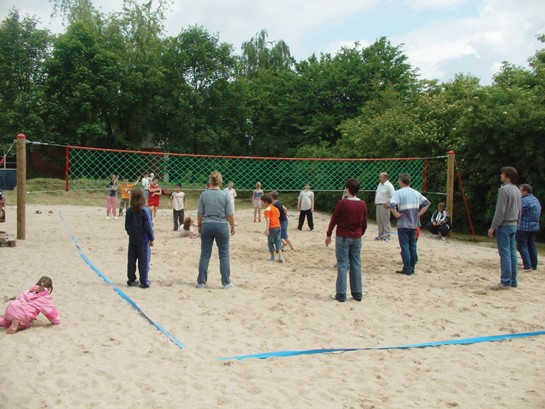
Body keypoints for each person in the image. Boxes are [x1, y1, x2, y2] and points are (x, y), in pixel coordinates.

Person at [325, 178, 368, 302]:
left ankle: (341, 294)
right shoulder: (362, 204)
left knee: (342, 265)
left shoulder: (343, 203)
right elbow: (364, 223)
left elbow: (334, 219)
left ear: (347, 189)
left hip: (343, 236)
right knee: (356, 264)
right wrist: (359, 234)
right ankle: (357, 293)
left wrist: (328, 234)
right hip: (356, 237)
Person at [196, 170, 236, 289]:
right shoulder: (225, 195)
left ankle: (201, 282)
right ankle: (226, 282)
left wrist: (199, 226)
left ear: (210, 181)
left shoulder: (204, 194)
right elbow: (229, 214)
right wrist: (232, 226)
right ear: (220, 181)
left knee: (205, 254)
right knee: (223, 255)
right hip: (221, 225)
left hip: (207, 224)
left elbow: (200, 213)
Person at [388, 173, 431, 276]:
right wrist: (418, 214)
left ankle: (407, 268)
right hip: (414, 223)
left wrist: (397, 215)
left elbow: (391, 205)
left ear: (401, 181)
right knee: (413, 245)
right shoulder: (416, 193)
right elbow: (427, 203)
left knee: (405, 246)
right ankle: (412, 268)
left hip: (403, 223)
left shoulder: (398, 193)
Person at [488, 166, 522, 290]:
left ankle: (505, 281)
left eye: (502, 174)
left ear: (507, 176)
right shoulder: (517, 190)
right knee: (512, 253)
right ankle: (513, 281)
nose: (500, 176)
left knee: (505, 254)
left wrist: (493, 227)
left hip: (505, 225)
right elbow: (519, 209)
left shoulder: (503, 190)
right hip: (513, 224)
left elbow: (500, 211)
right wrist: (517, 221)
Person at [125, 188, 155, 288]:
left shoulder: (129, 211)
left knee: (131, 260)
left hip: (133, 239)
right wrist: (151, 238)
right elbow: (148, 226)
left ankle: (131, 279)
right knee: (143, 261)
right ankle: (144, 281)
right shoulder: (144, 211)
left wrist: (131, 233)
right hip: (143, 240)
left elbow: (126, 225)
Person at [516, 184, 541, 272]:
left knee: (522, 246)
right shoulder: (535, 199)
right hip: (534, 227)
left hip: (524, 227)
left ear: (525, 192)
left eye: (520, 191)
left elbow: (517, 212)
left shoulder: (524, 201)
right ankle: (534, 265)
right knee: (532, 245)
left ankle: (527, 265)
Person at [262, 194, 283, 262]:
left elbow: (268, 220)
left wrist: (267, 229)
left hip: (272, 227)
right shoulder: (275, 208)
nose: (261, 203)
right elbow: (278, 216)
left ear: (266, 202)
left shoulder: (267, 210)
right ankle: (280, 256)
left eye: (262, 201)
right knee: (278, 241)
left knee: (270, 242)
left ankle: (272, 257)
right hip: (278, 226)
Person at [375, 172, 395, 242]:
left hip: (384, 205)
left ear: (385, 178)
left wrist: (388, 203)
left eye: (381, 177)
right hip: (378, 204)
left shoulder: (389, 185)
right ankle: (381, 235)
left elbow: (393, 195)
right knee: (379, 221)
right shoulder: (380, 185)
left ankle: (387, 236)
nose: (379, 178)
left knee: (385, 221)